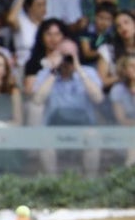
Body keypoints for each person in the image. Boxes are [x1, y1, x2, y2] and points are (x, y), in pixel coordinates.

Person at [32, 38, 104, 174]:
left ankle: (90, 182)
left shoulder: (88, 73)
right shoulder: (46, 74)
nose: (66, 59)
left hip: (84, 126)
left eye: (70, 55)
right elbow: (37, 100)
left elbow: (98, 98)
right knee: (44, 138)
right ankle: (52, 183)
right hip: (53, 126)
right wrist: (54, 72)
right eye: (63, 54)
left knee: (93, 137)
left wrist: (78, 70)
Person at [109, 55, 135, 165]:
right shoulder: (117, 90)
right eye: (132, 66)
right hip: (125, 132)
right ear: (124, 70)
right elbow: (121, 119)